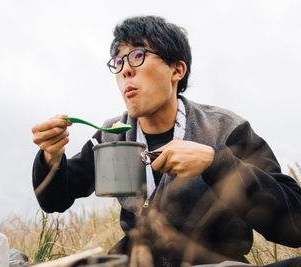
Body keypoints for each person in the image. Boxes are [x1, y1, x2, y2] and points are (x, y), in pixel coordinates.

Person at [31, 16, 301, 267]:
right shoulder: (111, 135)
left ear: (177, 70)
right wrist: (51, 157)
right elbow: (54, 199)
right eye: (118, 62)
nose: (125, 71)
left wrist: (214, 161)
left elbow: (295, 223)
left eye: (137, 56)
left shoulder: (226, 129)